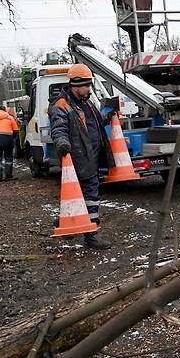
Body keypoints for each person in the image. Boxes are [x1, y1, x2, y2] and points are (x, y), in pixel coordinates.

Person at [50, 63, 116, 250]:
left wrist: (107, 116)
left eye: (89, 85)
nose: (88, 89)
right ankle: (91, 235)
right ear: (75, 85)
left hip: (89, 158)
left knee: (81, 197)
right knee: (89, 196)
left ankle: (69, 226)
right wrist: (62, 142)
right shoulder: (61, 106)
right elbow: (59, 128)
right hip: (79, 160)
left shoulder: (85, 103)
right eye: (85, 86)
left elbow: (93, 124)